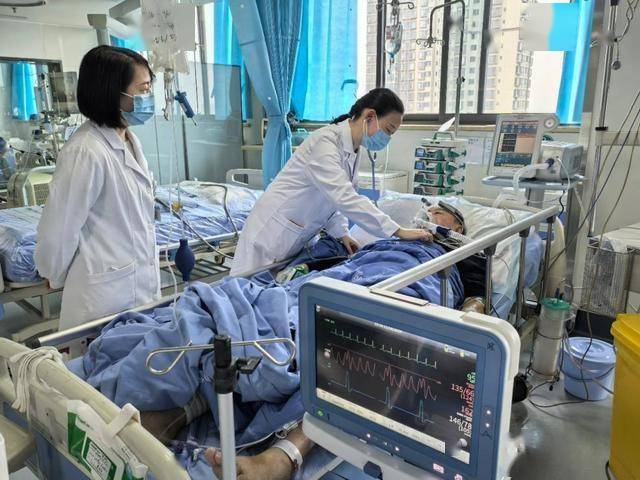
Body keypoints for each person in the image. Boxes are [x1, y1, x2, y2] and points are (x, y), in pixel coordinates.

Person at [230, 88, 432, 277]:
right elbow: (344, 197)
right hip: (270, 234)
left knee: (273, 289)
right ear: (370, 116)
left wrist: (342, 234)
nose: (386, 138)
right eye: (388, 130)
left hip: (294, 234)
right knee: (243, 290)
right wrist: (398, 230)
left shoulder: (354, 149)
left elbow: (333, 201)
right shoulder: (325, 142)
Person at [34, 46, 159, 330]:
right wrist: (52, 272)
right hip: (103, 298)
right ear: (111, 92)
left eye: (149, 89)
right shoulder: (85, 151)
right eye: (142, 90)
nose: (148, 98)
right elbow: (60, 227)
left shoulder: (129, 140)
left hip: (136, 287)